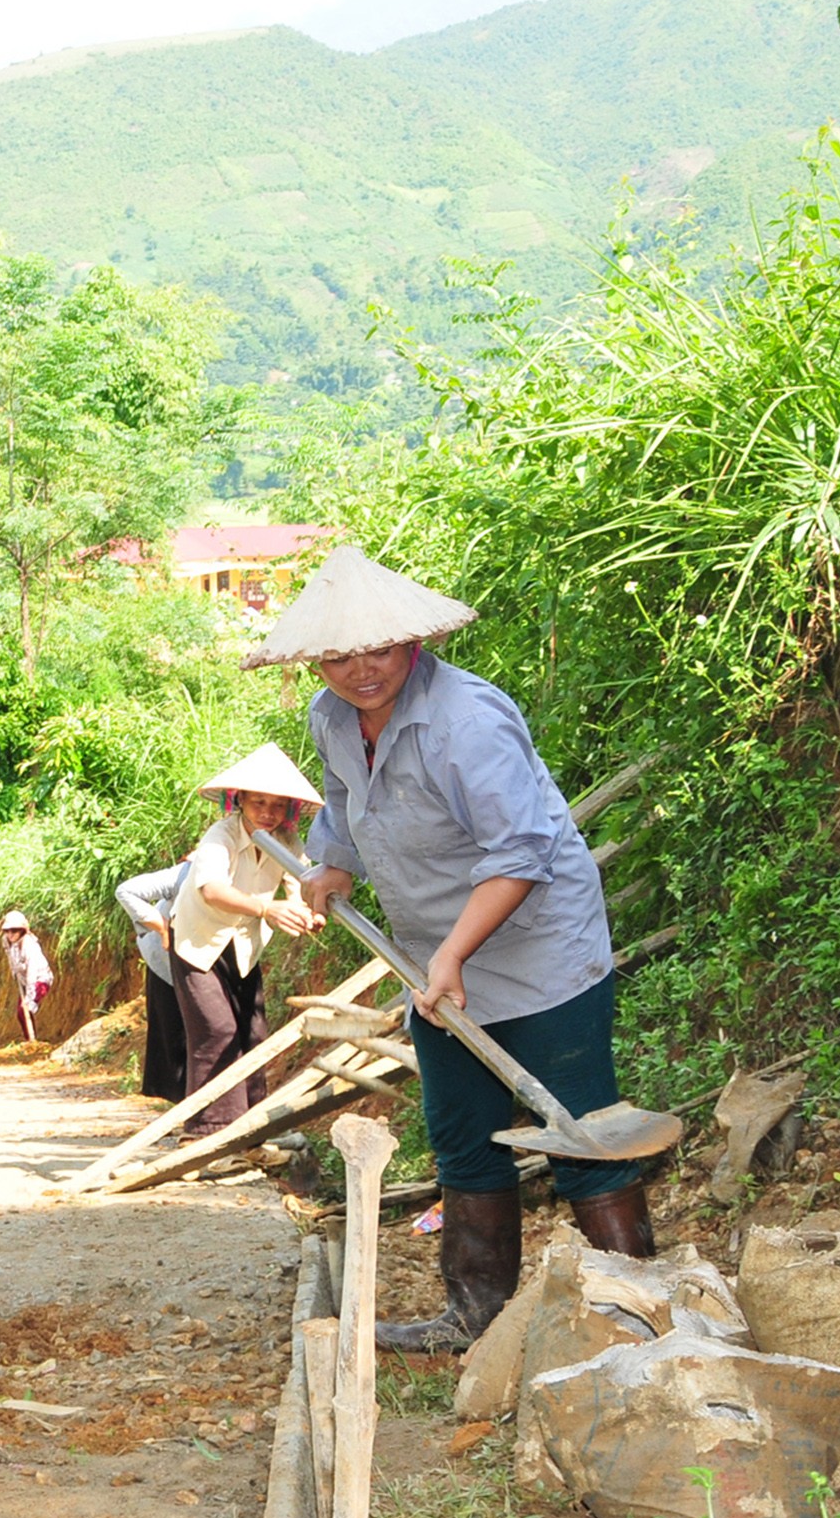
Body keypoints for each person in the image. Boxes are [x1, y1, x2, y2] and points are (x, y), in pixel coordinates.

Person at [245, 545, 644, 1354]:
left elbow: (520, 854)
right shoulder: (330, 717)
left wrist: (455, 953)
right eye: (340, 654)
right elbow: (346, 804)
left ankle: (639, 1313)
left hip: (540, 954)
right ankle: (475, 1318)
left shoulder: (467, 719)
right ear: (315, 658)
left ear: (415, 642)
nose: (362, 669)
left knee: (580, 1129)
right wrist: (332, 865)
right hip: (434, 961)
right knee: (465, 1130)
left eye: (381, 649)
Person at [167, 745, 324, 1135]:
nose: (267, 813)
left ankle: (254, 1126)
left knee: (254, 1033)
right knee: (216, 1031)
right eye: (258, 803)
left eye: (276, 805)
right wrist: (266, 909)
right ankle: (210, 1130)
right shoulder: (220, 835)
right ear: (240, 801)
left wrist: (310, 911)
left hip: (242, 946)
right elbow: (212, 890)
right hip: (197, 941)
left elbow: (299, 884)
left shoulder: (287, 839)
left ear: (288, 809)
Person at [115, 860, 191, 1101]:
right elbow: (126, 891)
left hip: (202, 955)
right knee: (173, 1027)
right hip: (164, 956)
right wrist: (163, 928)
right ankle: (177, 1100)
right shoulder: (186, 872)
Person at [0, 910, 53, 1044]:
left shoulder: (29, 945)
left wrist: (30, 997)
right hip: (23, 980)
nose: (10, 934)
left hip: (39, 979)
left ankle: (32, 1040)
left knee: (25, 1008)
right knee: (21, 1013)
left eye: (14, 931)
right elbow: (11, 959)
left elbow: (32, 972)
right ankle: (30, 1039)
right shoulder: (7, 941)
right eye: (7, 931)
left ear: (22, 931)